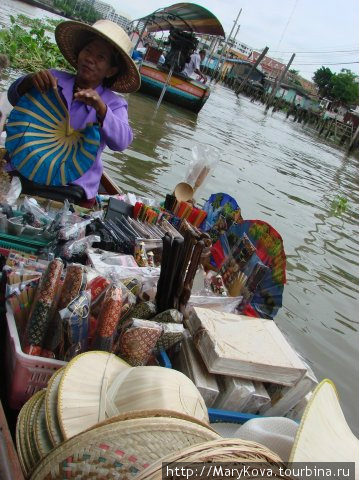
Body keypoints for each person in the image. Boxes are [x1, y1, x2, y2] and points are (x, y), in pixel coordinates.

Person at [6, 19, 141, 206]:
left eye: (100, 57)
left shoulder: (114, 104)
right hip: (30, 168)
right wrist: (30, 80)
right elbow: (13, 97)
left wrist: (101, 108)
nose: (90, 59)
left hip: (73, 185)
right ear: (79, 54)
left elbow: (122, 142)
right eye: (88, 51)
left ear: (111, 70)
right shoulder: (53, 79)